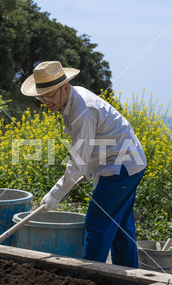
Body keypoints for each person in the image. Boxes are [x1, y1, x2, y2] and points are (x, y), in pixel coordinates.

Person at [20, 61, 147, 268]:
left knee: (96, 223)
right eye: (41, 96)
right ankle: (130, 276)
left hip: (122, 166)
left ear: (65, 87)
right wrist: (88, 169)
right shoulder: (69, 100)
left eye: (49, 95)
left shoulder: (82, 109)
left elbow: (78, 160)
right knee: (120, 225)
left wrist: (56, 194)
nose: (45, 101)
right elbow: (88, 148)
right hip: (122, 160)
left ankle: (90, 276)